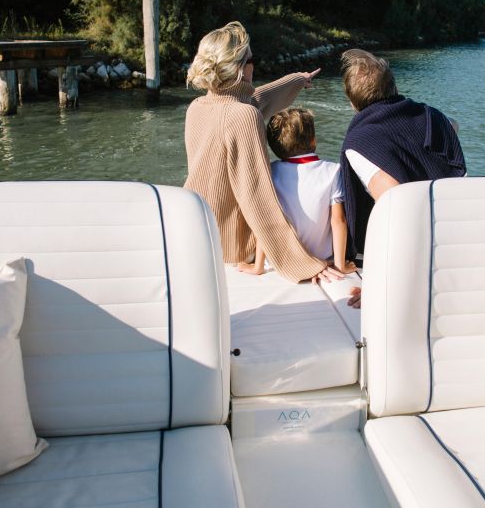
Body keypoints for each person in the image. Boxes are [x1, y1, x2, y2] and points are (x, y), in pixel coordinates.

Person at [184, 21, 343, 284]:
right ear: (240, 67)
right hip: (228, 245)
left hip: (194, 229)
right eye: (251, 59)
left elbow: (252, 100)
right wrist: (301, 262)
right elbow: (257, 195)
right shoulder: (243, 116)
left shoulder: (197, 107)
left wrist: (297, 80)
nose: (254, 65)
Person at [339, 49, 467, 307]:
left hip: (421, 254)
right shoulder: (435, 117)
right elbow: (453, 125)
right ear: (394, 87)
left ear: (353, 103)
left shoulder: (360, 143)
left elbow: (397, 207)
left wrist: (382, 286)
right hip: (457, 235)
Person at [238, 108, 357, 276]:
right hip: (322, 256)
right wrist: (340, 266)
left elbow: (264, 220)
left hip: (281, 259)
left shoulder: (271, 172)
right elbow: (339, 221)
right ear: (313, 140)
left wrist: (258, 266)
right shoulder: (333, 171)